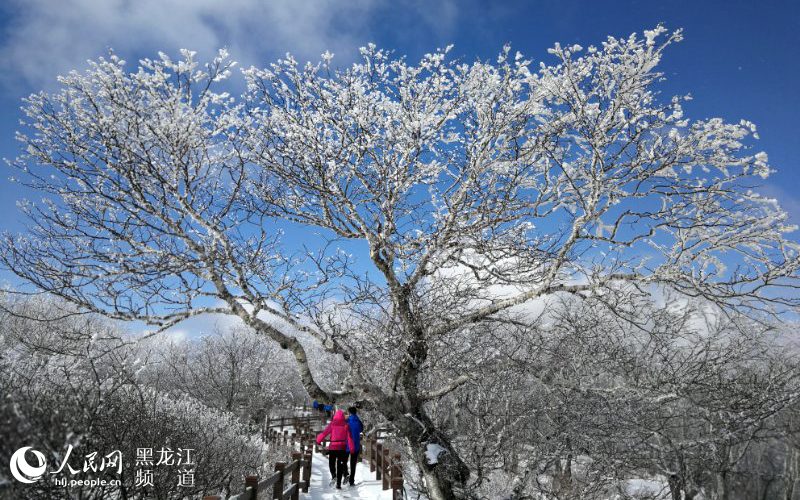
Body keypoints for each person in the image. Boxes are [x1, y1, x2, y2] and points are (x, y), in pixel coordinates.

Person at [316, 409, 355, 489]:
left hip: (333, 447)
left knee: (331, 462)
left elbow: (325, 433)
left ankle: (334, 475)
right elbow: (350, 438)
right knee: (340, 465)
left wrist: (318, 440)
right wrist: (351, 448)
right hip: (342, 448)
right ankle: (338, 484)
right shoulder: (346, 425)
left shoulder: (332, 424)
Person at [345, 406, 363, 486]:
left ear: (349, 412)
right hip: (355, 446)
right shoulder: (358, 421)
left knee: (343, 461)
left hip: (347, 445)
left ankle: (345, 474)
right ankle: (351, 480)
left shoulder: (347, 421)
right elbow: (361, 430)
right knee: (353, 463)